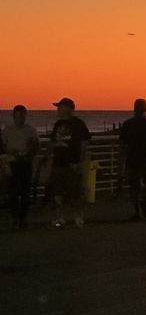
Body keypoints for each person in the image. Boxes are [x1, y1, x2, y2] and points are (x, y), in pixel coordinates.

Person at [48, 97, 91, 229]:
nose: (58, 110)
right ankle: (60, 217)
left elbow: (84, 144)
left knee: (75, 192)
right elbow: (52, 143)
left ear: (68, 109)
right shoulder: (58, 124)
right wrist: (49, 159)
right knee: (57, 193)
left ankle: (78, 217)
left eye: (60, 107)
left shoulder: (79, 124)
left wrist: (80, 162)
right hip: (58, 163)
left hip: (72, 163)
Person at [119, 98, 146, 221]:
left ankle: (136, 210)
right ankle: (143, 203)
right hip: (145, 158)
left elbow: (123, 144)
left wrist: (121, 160)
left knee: (134, 186)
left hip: (132, 158)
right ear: (145, 109)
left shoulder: (127, 124)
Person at [2, 106, 40, 229]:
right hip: (12, 162)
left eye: (22, 116)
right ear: (13, 116)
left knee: (25, 192)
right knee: (12, 192)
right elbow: (3, 146)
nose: (20, 119)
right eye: (18, 116)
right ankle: (14, 217)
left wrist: (28, 154)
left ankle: (23, 218)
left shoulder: (31, 131)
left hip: (25, 162)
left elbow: (36, 147)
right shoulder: (7, 130)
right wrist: (10, 153)